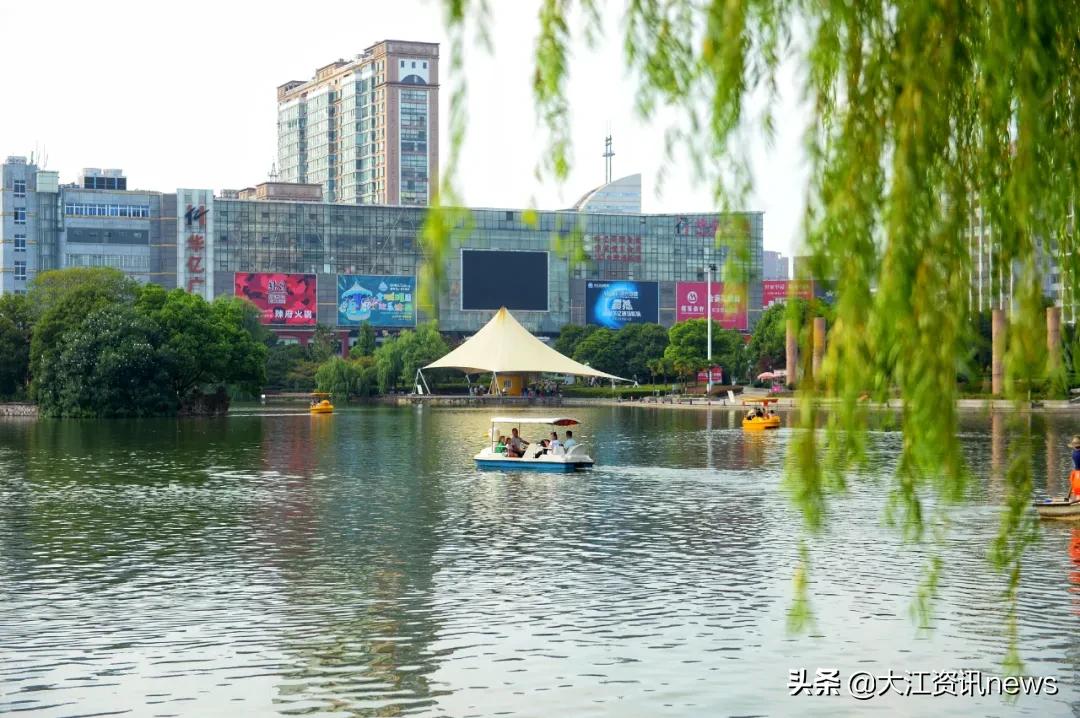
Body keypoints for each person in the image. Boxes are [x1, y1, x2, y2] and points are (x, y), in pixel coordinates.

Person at [1070, 435, 1080, 500]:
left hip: (1076, 475)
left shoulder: (1074, 452)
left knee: (1076, 494)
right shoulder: (1077, 454)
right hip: (1078, 477)